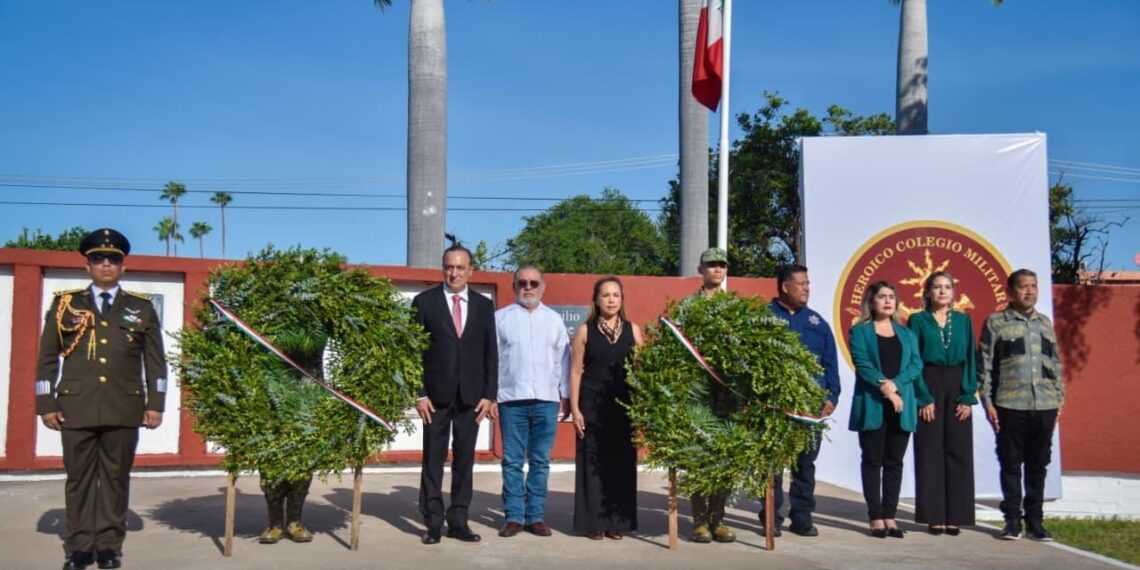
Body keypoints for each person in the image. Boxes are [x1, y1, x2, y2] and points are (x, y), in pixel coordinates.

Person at [36, 228, 167, 570]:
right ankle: (80, 546)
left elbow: (156, 361)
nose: (106, 264)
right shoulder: (66, 304)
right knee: (79, 479)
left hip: (125, 407)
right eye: (98, 259)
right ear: (87, 266)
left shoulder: (141, 308)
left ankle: (109, 545)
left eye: (113, 259)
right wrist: (46, 404)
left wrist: (156, 403)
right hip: (74, 407)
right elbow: (46, 359)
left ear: (123, 266)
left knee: (115, 479)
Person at [411, 245, 498, 544]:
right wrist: (419, 393)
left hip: (472, 398)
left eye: (461, 267)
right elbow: (413, 352)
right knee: (432, 461)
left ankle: (458, 520)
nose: (454, 273)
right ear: (443, 268)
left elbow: (491, 353)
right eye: (449, 266)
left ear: (471, 270)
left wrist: (489, 394)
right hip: (434, 397)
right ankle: (433, 522)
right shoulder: (424, 302)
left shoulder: (484, 307)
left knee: (465, 462)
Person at [978, 269, 1064, 542]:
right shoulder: (996, 323)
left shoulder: (1045, 323)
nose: (1030, 291)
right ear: (1010, 292)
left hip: (1045, 404)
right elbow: (985, 366)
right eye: (1024, 287)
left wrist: (1059, 398)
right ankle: (1013, 521)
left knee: (1038, 464)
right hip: (1009, 403)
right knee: (1011, 463)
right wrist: (988, 402)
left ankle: (1035, 523)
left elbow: (1056, 364)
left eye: (1034, 286)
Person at [759, 264, 840, 538]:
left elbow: (830, 364)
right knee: (771, 464)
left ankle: (802, 517)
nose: (807, 288)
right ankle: (770, 517)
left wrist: (832, 397)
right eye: (802, 283)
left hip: (810, 410)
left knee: (805, 465)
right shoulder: (763, 319)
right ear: (785, 286)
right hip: (774, 408)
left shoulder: (817, 323)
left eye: (808, 283)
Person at [494, 265, 570, 538]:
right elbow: (491, 361)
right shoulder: (500, 319)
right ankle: (514, 516)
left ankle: (535, 516)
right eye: (523, 283)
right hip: (511, 399)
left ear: (543, 287)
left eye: (533, 283)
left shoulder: (554, 320)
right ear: (514, 286)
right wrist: (491, 395)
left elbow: (564, 360)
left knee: (540, 461)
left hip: (546, 401)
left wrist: (567, 396)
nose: (528, 287)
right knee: (513, 461)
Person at [847, 280, 923, 539]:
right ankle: (875, 516)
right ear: (871, 301)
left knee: (894, 462)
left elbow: (915, 365)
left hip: (902, 406)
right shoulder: (860, 331)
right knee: (872, 460)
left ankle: (890, 515)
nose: (888, 301)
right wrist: (887, 390)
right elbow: (863, 364)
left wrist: (896, 386)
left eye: (891, 296)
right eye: (882, 296)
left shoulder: (907, 334)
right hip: (873, 404)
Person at [570, 276, 643, 540]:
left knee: (620, 464)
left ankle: (617, 522)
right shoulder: (584, 331)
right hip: (591, 405)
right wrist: (575, 409)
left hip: (623, 406)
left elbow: (641, 371)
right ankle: (594, 522)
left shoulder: (633, 330)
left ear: (622, 300)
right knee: (593, 464)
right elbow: (576, 371)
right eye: (605, 295)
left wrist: (642, 408)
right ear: (597, 300)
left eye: (615, 295)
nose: (611, 299)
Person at [908, 271, 977, 536]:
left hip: (958, 382)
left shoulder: (963, 320)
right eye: (936, 287)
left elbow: (970, 357)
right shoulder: (917, 320)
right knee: (930, 450)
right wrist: (923, 396)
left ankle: (956, 515)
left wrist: (968, 395)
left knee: (959, 450)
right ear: (927, 292)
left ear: (953, 291)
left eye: (947, 287)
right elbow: (914, 359)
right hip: (930, 379)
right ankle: (934, 515)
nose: (942, 291)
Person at [685, 247, 740, 543]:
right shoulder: (689, 306)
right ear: (701, 269)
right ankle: (698, 521)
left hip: (728, 395)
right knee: (697, 458)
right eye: (711, 265)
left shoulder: (735, 306)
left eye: (721, 265)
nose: (717, 269)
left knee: (726, 458)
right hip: (698, 394)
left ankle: (718, 519)